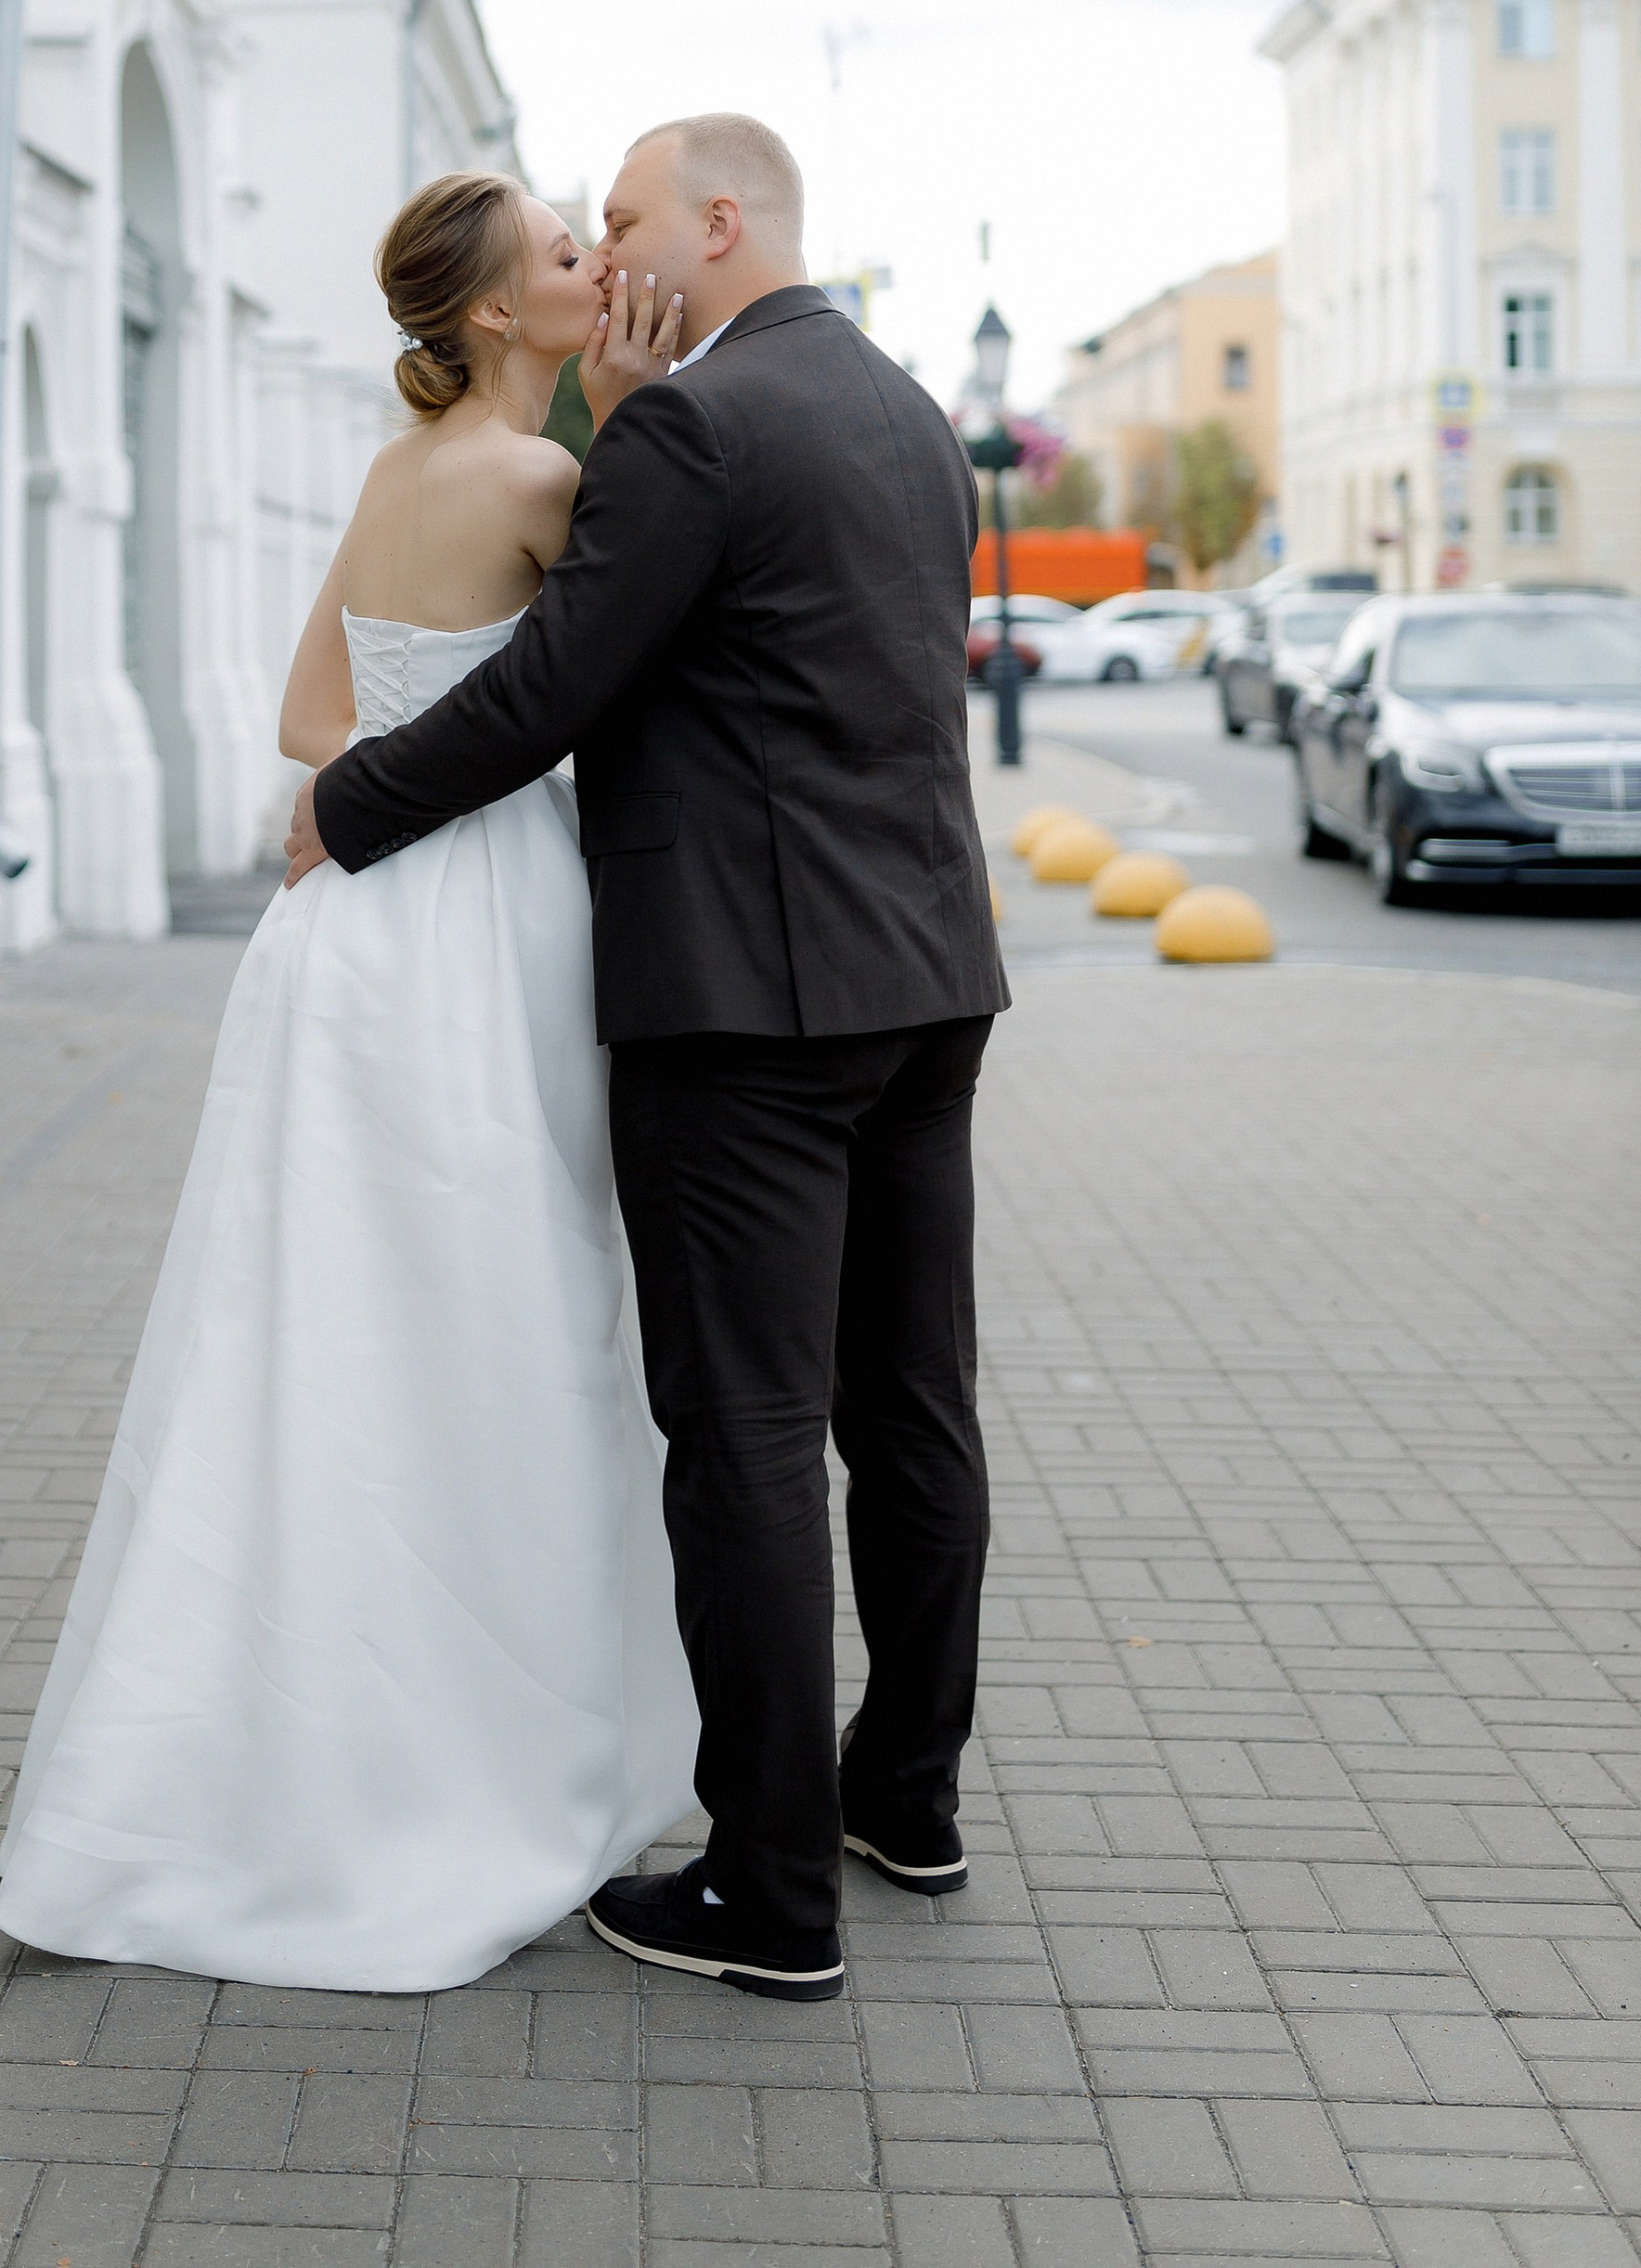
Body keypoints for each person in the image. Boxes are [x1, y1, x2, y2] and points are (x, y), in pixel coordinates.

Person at [289, 111, 1005, 2004]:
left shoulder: (689, 425)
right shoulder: (909, 413)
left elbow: (548, 685)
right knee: (907, 1403)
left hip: (744, 1005)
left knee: (748, 1432)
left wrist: (344, 807)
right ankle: (902, 1800)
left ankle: (769, 1893)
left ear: (713, 219)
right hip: (927, 976)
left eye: (617, 217)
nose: (602, 250)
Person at [0, 173, 699, 1994]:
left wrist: (367, 785)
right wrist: (632, 426)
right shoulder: (547, 481)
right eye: (563, 255)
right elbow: (623, 696)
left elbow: (315, 719)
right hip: (485, 935)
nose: (593, 265)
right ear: (488, 318)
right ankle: (466, 1760)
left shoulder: (397, 477)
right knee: (502, 1320)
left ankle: (282, 1744)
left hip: (351, 934)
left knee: (328, 1325)